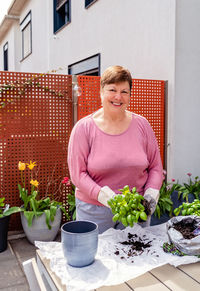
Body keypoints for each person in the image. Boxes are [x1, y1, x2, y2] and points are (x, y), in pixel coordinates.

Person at [67, 65, 163, 234]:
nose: (118, 97)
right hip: (94, 211)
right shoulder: (84, 128)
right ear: (101, 92)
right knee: (96, 258)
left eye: (125, 91)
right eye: (112, 89)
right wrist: (105, 196)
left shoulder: (142, 125)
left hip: (136, 211)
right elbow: (78, 174)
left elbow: (155, 166)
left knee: (136, 256)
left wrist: (151, 193)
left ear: (130, 95)